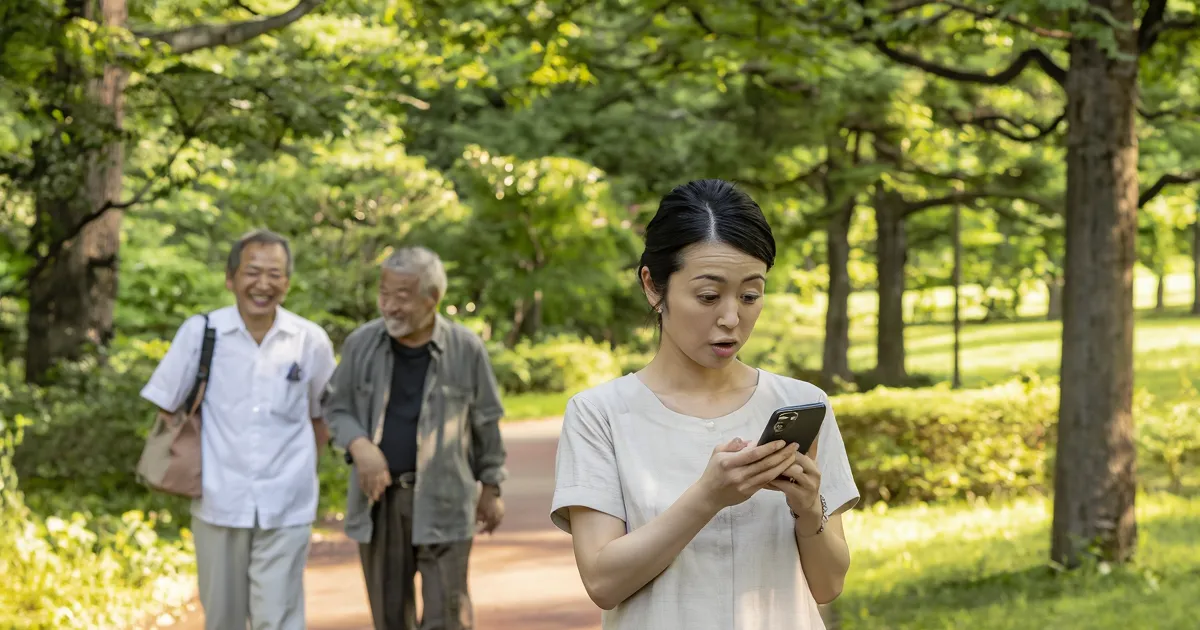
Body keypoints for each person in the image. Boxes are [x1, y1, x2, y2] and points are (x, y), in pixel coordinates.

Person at [550, 179, 860, 629]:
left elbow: (829, 585)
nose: (732, 317)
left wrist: (809, 507)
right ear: (653, 287)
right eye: (708, 296)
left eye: (750, 295)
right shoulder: (600, 414)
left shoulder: (802, 403)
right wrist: (708, 497)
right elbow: (602, 580)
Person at [140, 228, 337, 630]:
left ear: (287, 282)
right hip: (219, 499)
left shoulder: (308, 340)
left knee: (278, 620)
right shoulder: (201, 332)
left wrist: (300, 471)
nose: (263, 284)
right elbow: (167, 407)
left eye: (275, 274)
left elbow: (324, 417)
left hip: (288, 503)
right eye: (252, 272)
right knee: (223, 619)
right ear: (231, 279)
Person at [323, 245, 507, 630]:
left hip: (446, 499)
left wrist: (491, 486)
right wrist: (360, 446)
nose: (388, 306)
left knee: (448, 618)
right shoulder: (362, 344)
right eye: (383, 294)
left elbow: (486, 421)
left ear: (433, 299)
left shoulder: (465, 348)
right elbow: (336, 407)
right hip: (381, 503)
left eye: (401, 297)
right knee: (390, 619)